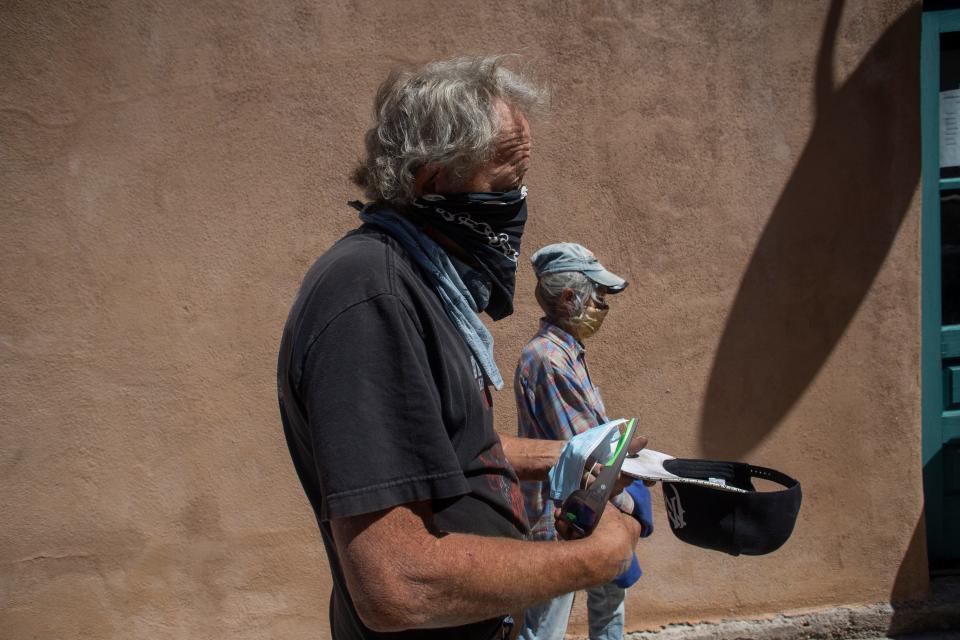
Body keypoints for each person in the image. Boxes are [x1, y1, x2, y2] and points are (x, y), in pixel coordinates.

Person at [277, 56, 648, 640]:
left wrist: (568, 455)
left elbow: (437, 448)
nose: (519, 203)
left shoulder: (419, 284)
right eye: (505, 186)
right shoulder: (374, 296)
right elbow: (398, 584)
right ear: (431, 179)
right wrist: (598, 558)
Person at [515, 242, 654, 640]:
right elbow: (582, 450)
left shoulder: (567, 352)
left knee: (609, 604)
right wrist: (630, 494)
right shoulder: (547, 358)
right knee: (546, 628)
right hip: (563, 518)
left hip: (592, 508)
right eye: (599, 297)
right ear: (570, 297)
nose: (603, 307)